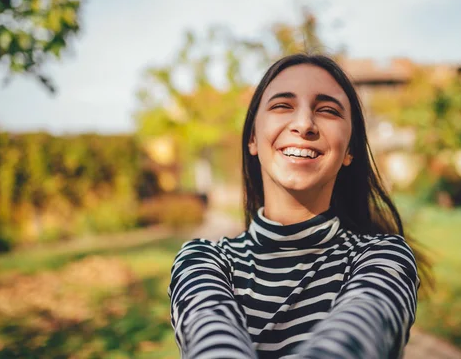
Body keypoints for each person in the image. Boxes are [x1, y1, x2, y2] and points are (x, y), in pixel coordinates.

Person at [169, 54, 421, 359]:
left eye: (328, 110)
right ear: (252, 138)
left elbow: (358, 336)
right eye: (282, 106)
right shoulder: (201, 261)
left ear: (350, 150)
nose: (304, 124)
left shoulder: (386, 258)